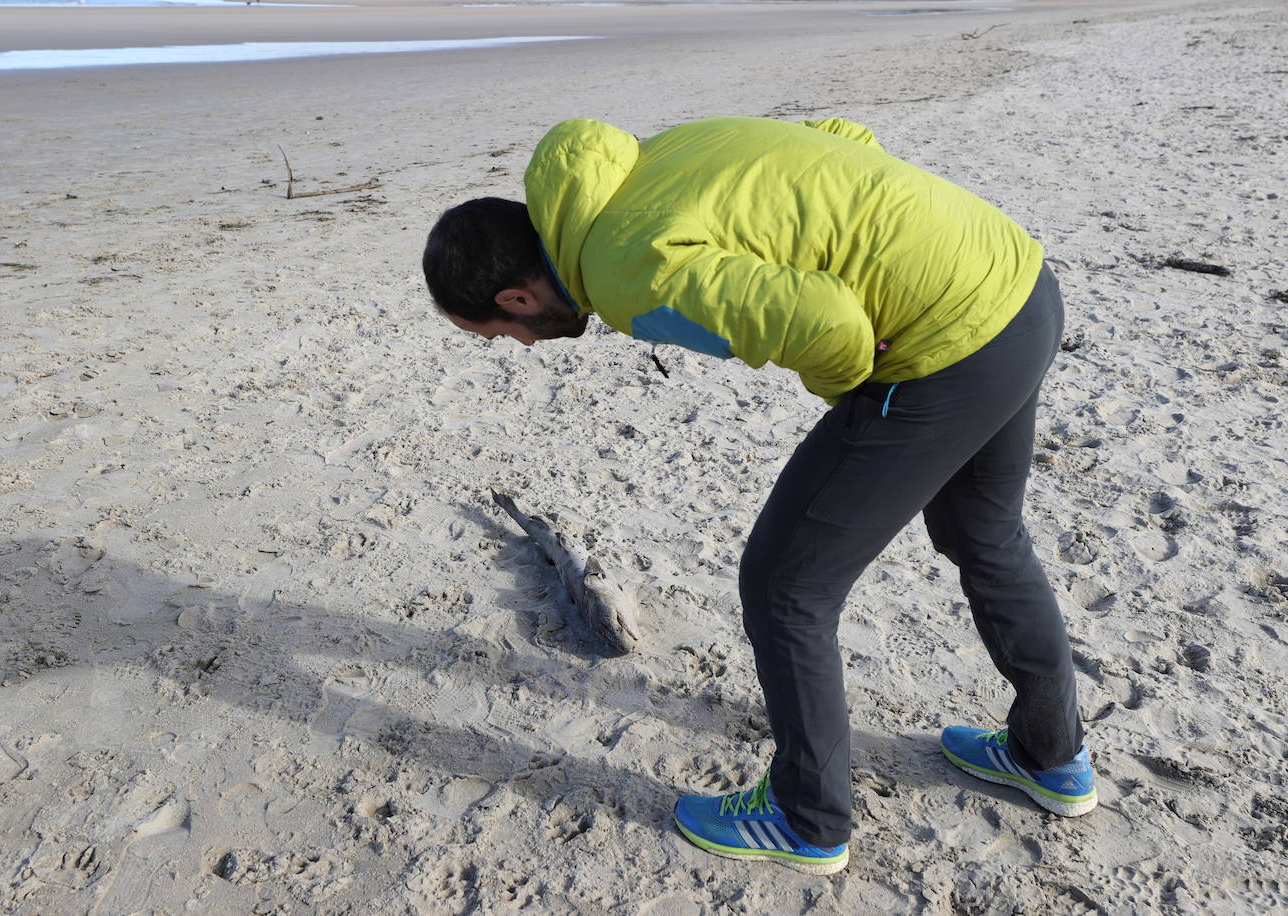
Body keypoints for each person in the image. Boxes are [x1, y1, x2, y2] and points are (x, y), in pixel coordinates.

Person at [422, 115, 1095, 877]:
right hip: (1014, 280)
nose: (518, 346)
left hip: (947, 347)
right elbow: (844, 136)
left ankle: (806, 819)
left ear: (515, 299)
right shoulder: (651, 158)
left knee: (784, 586)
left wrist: (856, 387)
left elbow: (833, 326)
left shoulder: (621, 271)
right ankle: (1051, 756)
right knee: (987, 535)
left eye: (497, 335)